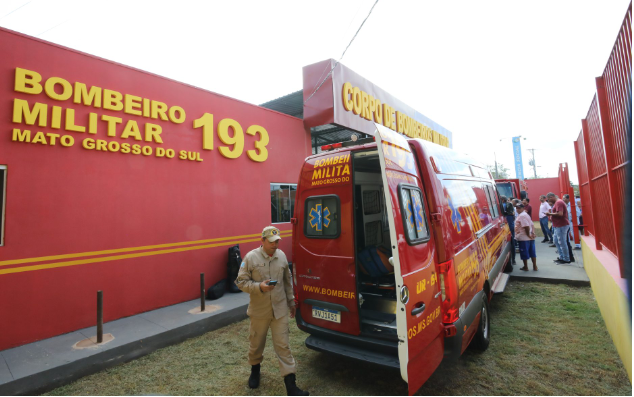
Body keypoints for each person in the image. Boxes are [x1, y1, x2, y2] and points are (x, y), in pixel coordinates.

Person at [235, 226, 309, 396]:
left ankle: (291, 387)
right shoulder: (250, 258)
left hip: (280, 309)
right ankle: (255, 371)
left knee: (283, 346)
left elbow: (287, 281)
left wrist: (291, 302)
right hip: (259, 311)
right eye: (271, 242)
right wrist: (258, 286)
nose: (275, 245)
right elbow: (240, 282)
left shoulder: (281, 256)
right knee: (256, 344)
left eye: (277, 242)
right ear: (262, 241)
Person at [545, 193, 571, 264]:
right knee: (556, 241)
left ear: (552, 197)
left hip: (561, 225)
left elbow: (560, 214)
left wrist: (549, 214)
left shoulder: (559, 202)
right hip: (557, 225)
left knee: (562, 242)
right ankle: (561, 257)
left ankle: (566, 259)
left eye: (549, 199)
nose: (549, 201)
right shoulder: (557, 202)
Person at [514, 203, 538, 271]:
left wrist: (528, 235)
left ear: (523, 208)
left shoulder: (522, 216)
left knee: (524, 252)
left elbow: (526, 226)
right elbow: (532, 224)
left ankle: (526, 267)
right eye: (516, 208)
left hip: (524, 237)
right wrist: (532, 233)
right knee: (532, 252)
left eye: (519, 208)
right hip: (529, 236)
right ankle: (534, 266)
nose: (517, 209)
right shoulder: (526, 215)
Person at [501, 195, 516, 266]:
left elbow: (510, 213)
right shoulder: (505, 204)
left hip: (509, 226)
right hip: (507, 225)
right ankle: (512, 259)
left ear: (503, 200)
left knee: (511, 243)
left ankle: (513, 259)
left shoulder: (507, 204)